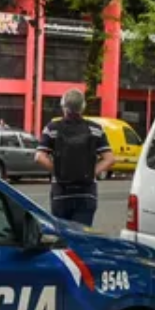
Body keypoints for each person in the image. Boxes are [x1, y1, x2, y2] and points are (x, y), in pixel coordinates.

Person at [34, 89, 115, 226]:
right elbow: (110, 159)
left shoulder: (52, 128)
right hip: (86, 194)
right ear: (83, 107)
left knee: (63, 237)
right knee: (82, 238)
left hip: (61, 193)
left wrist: (59, 171)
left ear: (63, 106)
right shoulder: (95, 129)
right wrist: (91, 172)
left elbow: (39, 157)